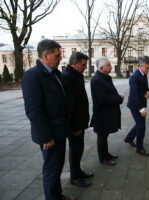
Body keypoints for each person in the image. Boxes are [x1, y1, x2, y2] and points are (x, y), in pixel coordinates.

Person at [22, 39, 76, 200]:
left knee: (57, 165)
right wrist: (45, 137)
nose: (61, 58)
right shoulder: (33, 76)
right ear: (45, 56)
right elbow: (34, 110)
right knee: (52, 168)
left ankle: (56, 194)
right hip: (50, 133)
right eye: (58, 55)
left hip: (60, 128)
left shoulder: (55, 73)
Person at [62, 52, 94, 187]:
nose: (85, 67)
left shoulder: (76, 75)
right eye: (83, 64)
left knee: (79, 148)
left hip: (79, 120)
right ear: (74, 64)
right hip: (74, 123)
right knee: (75, 149)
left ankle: (78, 171)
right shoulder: (68, 77)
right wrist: (75, 126)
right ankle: (74, 177)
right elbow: (70, 104)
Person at [90, 57, 124, 165]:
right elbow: (102, 98)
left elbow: (109, 93)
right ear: (101, 67)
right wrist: (118, 99)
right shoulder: (97, 80)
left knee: (105, 136)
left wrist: (117, 96)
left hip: (107, 114)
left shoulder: (105, 77)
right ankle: (103, 157)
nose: (111, 66)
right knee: (102, 137)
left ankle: (106, 154)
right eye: (108, 65)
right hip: (102, 115)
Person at [124, 56, 149, 156]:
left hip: (141, 103)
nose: (148, 70)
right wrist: (141, 109)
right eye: (147, 68)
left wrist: (148, 92)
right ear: (140, 66)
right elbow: (134, 94)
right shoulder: (134, 77)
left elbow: (146, 87)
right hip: (135, 105)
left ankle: (129, 138)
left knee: (139, 124)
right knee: (142, 126)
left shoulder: (143, 74)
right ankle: (139, 149)